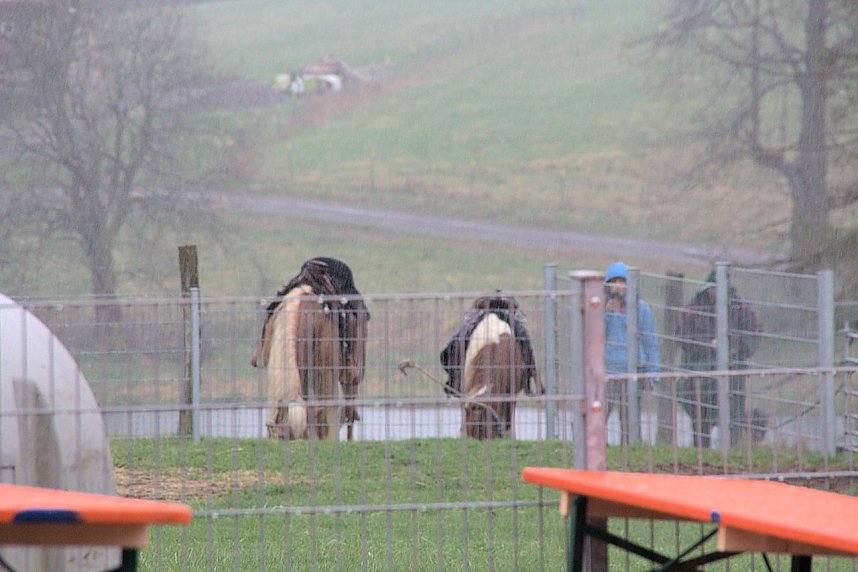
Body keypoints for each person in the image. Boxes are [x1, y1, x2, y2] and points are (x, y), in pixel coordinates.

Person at [674, 270, 762, 448]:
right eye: (713, 288)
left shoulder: (740, 309)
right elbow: (683, 337)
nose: (716, 292)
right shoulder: (694, 309)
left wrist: (734, 347)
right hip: (700, 371)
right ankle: (701, 452)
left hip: (732, 372)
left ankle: (734, 450)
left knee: (733, 411)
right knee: (700, 413)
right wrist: (707, 345)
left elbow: (753, 334)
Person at [602, 262, 660, 442]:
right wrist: (606, 314)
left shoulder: (641, 308)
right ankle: (596, 451)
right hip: (608, 372)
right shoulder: (600, 308)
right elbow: (595, 337)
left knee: (630, 418)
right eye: (614, 282)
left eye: (623, 282)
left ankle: (632, 452)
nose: (619, 286)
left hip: (634, 372)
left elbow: (650, 342)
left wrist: (653, 374)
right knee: (600, 414)